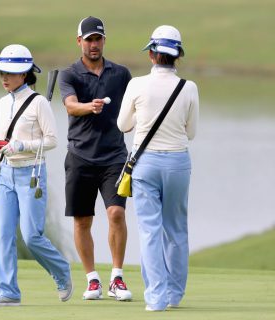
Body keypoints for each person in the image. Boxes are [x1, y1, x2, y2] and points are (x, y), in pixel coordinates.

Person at [117, 25, 199, 311]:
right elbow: (191, 132)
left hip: (145, 163)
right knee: (176, 230)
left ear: (152, 54)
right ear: (177, 56)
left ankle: (156, 297)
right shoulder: (189, 87)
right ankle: (175, 294)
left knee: (150, 231)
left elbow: (122, 125)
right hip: (178, 162)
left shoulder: (136, 85)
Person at [0, 44, 73, 307]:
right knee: (2, 234)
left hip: (31, 174)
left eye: (10, 73)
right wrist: (1, 150)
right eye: (2, 73)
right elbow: (6, 138)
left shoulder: (39, 103)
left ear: (24, 74)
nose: (4, 78)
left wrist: (24, 145)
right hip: (5, 174)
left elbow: (52, 140)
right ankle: (8, 291)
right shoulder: (2, 103)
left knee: (32, 236)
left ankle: (61, 272)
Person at [58, 16, 132, 301]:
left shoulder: (121, 73)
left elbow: (135, 106)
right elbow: (71, 106)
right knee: (82, 220)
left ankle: (117, 277)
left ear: (104, 41)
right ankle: (92, 279)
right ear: (79, 42)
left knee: (116, 213)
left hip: (114, 156)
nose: (93, 44)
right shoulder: (69, 74)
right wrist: (90, 107)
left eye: (97, 39)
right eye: (88, 39)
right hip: (80, 156)